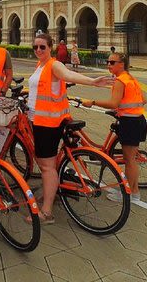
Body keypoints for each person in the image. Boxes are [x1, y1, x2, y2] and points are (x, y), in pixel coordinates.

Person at [27, 33, 111, 224]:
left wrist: (92, 81)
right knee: (47, 164)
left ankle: (46, 212)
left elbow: (67, 75)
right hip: (39, 120)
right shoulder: (40, 65)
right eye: (35, 47)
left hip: (48, 124)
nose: (38, 50)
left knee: (47, 167)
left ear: (51, 48)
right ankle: (51, 191)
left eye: (42, 47)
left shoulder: (54, 65)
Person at [82, 52, 147, 202]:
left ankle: (131, 194)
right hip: (138, 120)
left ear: (121, 64)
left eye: (112, 62)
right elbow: (143, 100)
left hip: (129, 122)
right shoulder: (130, 78)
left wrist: (92, 102)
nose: (108, 65)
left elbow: (113, 103)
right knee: (131, 159)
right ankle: (133, 191)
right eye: (108, 62)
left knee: (129, 160)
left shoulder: (120, 81)